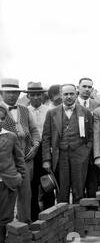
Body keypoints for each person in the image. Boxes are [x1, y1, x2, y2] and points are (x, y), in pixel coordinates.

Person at [42, 84, 93, 204]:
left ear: (76, 94)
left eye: (71, 94)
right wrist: (46, 160)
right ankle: (63, 218)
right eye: (66, 94)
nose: (69, 96)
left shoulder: (85, 112)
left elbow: (91, 134)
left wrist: (86, 151)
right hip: (60, 156)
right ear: (61, 95)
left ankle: (79, 219)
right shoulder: (52, 113)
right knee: (62, 190)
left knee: (79, 189)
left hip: (80, 155)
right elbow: (46, 137)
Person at [0, 78, 40, 224]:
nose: (12, 95)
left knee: (25, 194)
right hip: (6, 161)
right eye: (8, 92)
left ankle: (24, 227)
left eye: (15, 92)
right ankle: (6, 230)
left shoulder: (25, 110)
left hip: (26, 158)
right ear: (1, 93)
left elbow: (35, 130)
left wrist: (35, 145)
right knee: (6, 195)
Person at [26, 82, 54, 221]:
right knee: (32, 186)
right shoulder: (24, 111)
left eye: (38, 94)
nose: (36, 98)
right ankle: (34, 217)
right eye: (33, 95)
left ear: (42, 95)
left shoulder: (50, 110)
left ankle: (50, 215)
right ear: (28, 96)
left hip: (46, 151)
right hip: (30, 152)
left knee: (48, 184)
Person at [0, 105, 25, 243]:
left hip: (6, 183)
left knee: (4, 219)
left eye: (1, 118)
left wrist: (19, 177)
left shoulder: (10, 136)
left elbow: (19, 159)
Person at [76, 77, 100, 198]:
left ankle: (92, 210)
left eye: (89, 87)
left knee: (92, 182)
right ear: (78, 88)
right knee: (78, 183)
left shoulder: (96, 104)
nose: (87, 89)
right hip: (76, 149)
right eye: (84, 86)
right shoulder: (72, 103)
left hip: (92, 148)